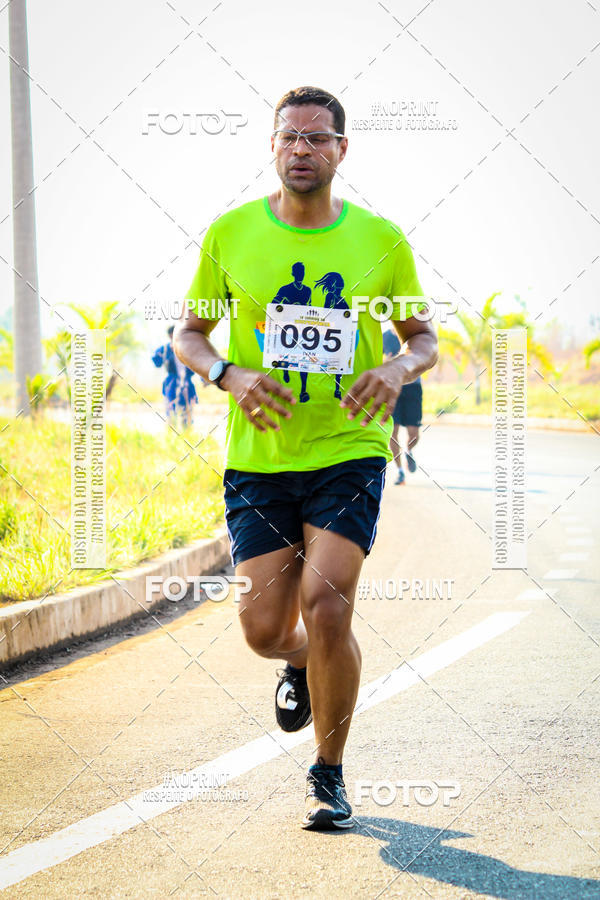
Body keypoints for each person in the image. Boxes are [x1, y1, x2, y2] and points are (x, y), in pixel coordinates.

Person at [174, 85, 437, 830]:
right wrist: (228, 372)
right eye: (290, 136)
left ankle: (330, 772)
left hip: (347, 449)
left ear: (341, 151)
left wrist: (394, 369)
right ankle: (298, 662)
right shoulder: (230, 235)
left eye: (318, 139)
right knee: (263, 629)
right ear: (272, 145)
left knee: (329, 606)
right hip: (260, 457)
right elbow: (187, 335)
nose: (302, 149)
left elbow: (423, 338)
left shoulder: (380, 241)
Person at [382, 327, 423, 485]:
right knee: (393, 432)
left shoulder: (414, 332)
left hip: (413, 387)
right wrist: (387, 363)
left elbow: (424, 357)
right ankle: (400, 472)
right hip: (393, 387)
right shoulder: (385, 336)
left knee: (414, 434)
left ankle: (409, 451)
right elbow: (380, 361)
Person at [152, 325, 198, 425]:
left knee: (187, 408)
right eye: (172, 336)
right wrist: (164, 355)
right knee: (171, 408)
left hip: (186, 382)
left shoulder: (189, 349)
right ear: (170, 336)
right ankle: (172, 432)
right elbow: (156, 361)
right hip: (172, 382)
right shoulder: (165, 349)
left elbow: (200, 363)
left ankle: (187, 433)